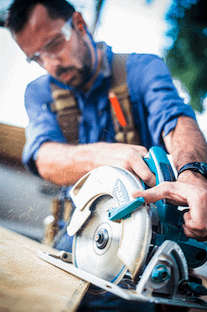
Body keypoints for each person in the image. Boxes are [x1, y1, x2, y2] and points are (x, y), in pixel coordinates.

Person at [5, 0, 207, 311]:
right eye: (37, 57)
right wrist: (103, 156)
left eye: (55, 44)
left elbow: (176, 119)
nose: (51, 63)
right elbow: (43, 157)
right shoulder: (40, 92)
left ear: (79, 24)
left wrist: (193, 174)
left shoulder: (140, 69)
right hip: (83, 233)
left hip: (146, 241)